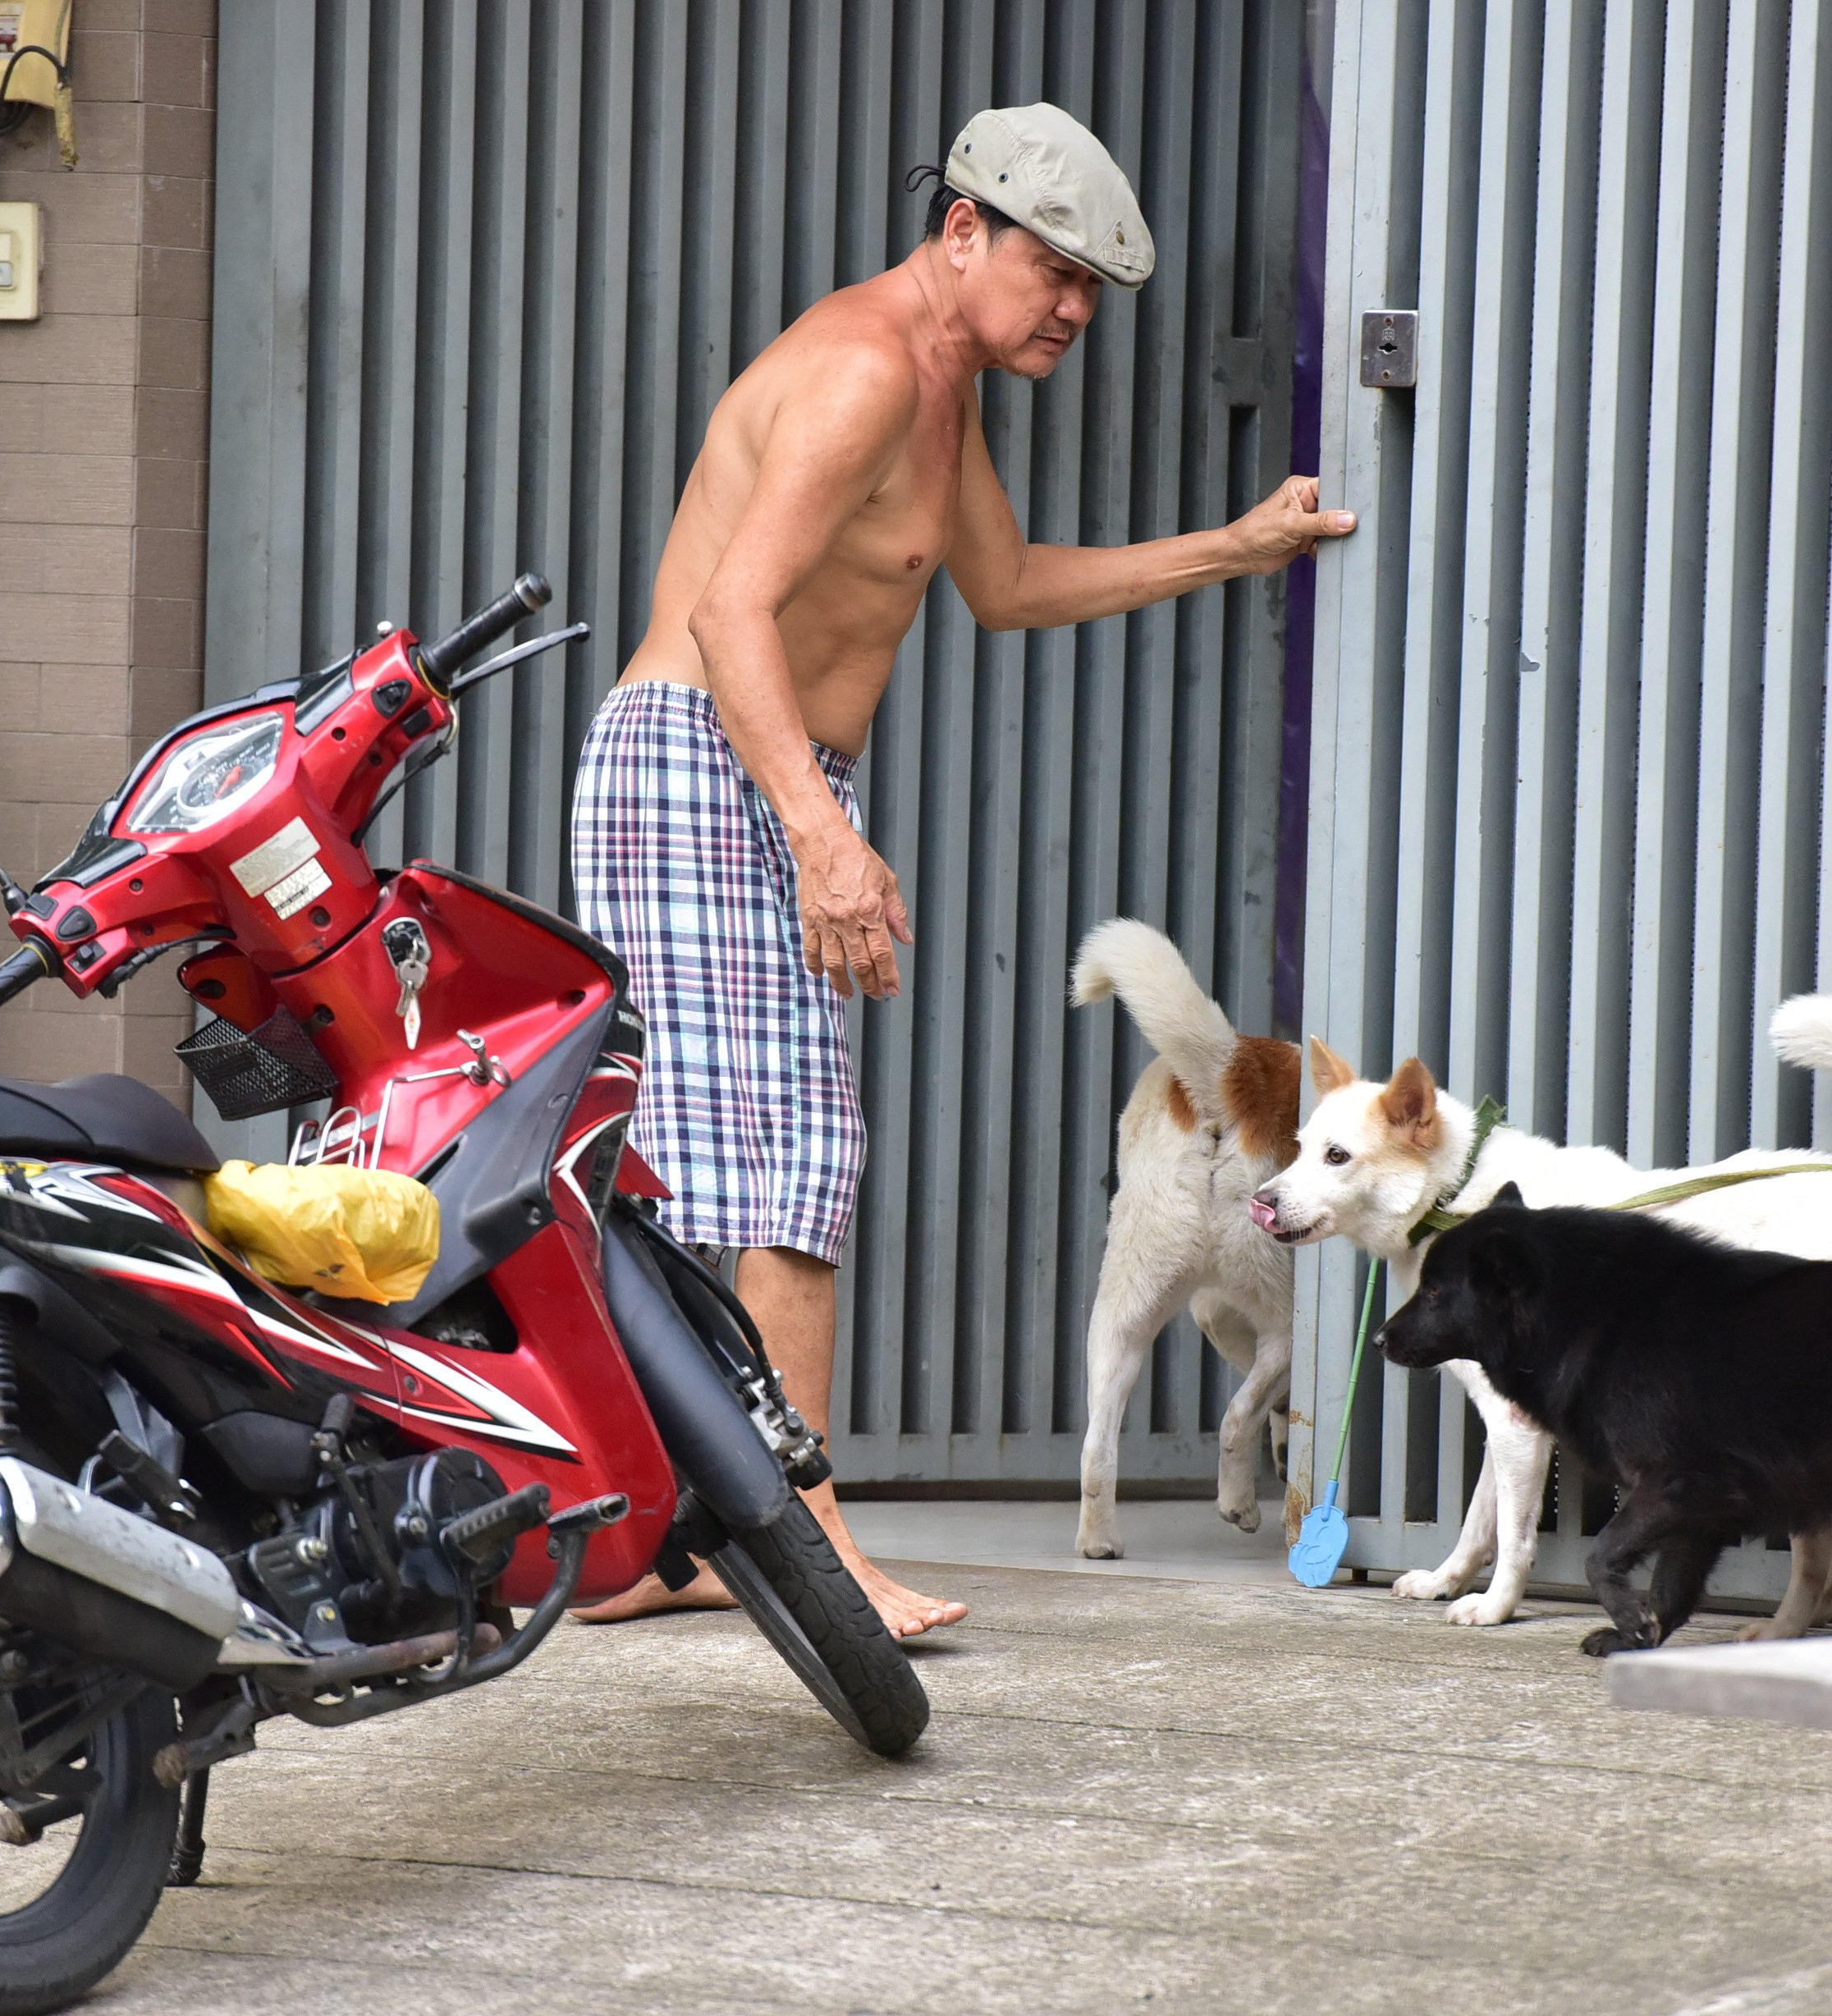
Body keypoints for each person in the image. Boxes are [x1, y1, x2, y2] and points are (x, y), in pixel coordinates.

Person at [569, 103, 1356, 1639]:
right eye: (1052, 271)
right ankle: (802, 1542)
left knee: (727, 1158)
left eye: (1090, 290)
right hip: (708, 759)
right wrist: (823, 835)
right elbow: (732, 613)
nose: (1072, 310)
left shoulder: (942, 390)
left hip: (765, 768)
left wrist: (1237, 547)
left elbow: (1006, 586)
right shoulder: (866, 367)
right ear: (961, 231)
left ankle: (690, 1535)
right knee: (793, 1149)